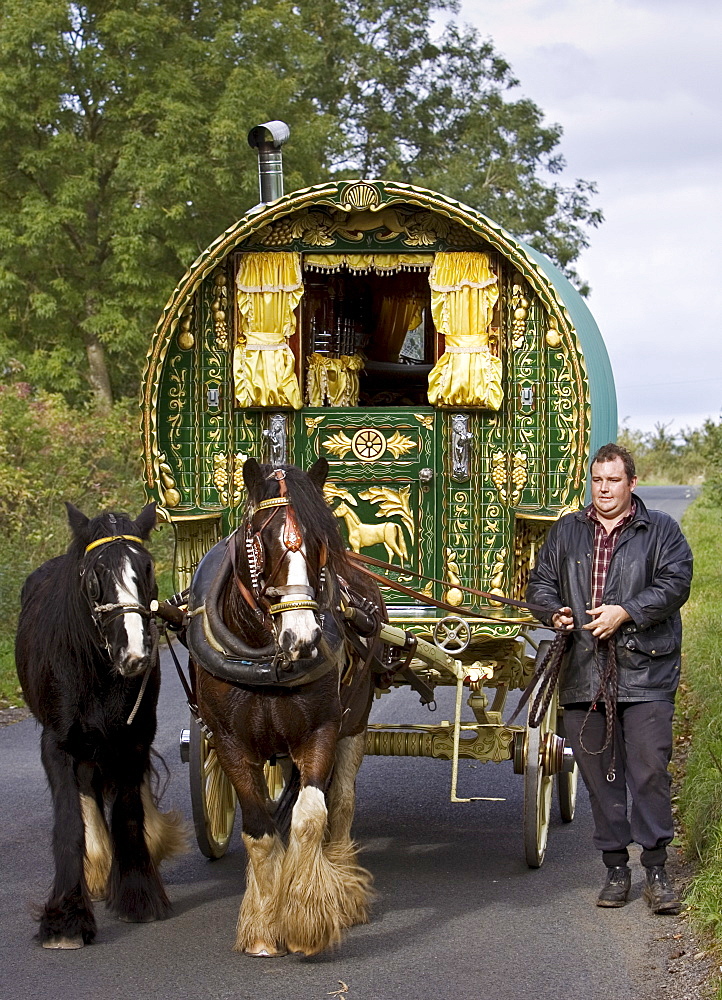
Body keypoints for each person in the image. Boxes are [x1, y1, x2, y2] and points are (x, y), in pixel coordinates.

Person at [526, 443, 693, 913]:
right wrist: (550, 611)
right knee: (600, 778)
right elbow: (540, 582)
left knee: (649, 771)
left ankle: (657, 871)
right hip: (583, 671)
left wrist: (626, 612)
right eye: (597, 481)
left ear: (631, 483)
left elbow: (675, 583)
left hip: (646, 672)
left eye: (613, 480)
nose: (604, 489)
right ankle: (616, 868)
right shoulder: (567, 531)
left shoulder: (661, 530)